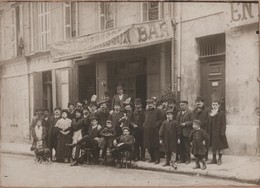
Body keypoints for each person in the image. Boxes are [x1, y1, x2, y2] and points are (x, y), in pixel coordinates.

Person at [207, 100, 229, 165]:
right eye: (213, 105)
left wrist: (222, 132)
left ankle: (219, 159)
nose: (214, 106)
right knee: (213, 146)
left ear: (218, 105)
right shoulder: (209, 113)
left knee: (220, 146)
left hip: (219, 133)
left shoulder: (221, 113)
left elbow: (223, 124)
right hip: (211, 132)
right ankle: (214, 159)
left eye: (216, 105)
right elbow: (208, 123)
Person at [143, 99, 164, 164]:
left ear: (153, 104)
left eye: (151, 104)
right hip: (147, 131)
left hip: (155, 131)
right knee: (149, 146)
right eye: (148, 104)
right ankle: (152, 158)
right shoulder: (146, 112)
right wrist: (144, 124)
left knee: (155, 146)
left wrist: (156, 124)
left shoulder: (158, 111)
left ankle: (157, 159)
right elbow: (144, 119)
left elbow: (161, 119)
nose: (149, 105)